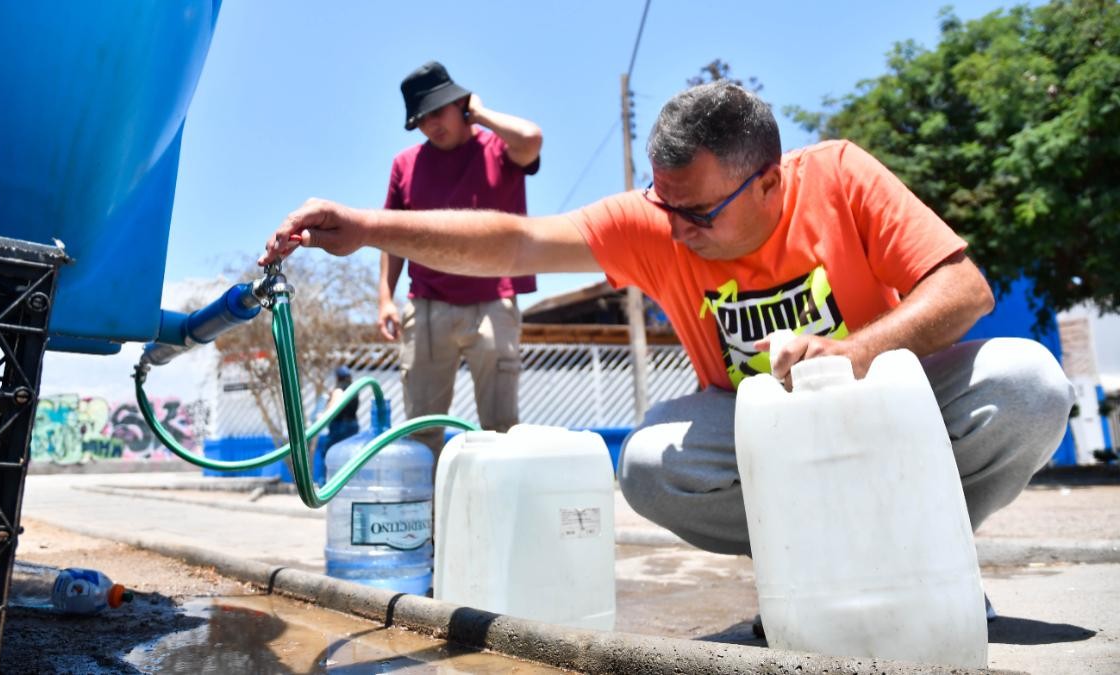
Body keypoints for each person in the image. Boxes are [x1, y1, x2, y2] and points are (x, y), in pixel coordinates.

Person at [262, 82, 1073, 569]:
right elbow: (514, 239)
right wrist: (370, 226)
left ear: (770, 182)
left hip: (885, 397)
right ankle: (808, 565)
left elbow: (962, 288)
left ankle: (926, 546)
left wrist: (849, 354)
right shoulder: (656, 220)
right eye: (664, 205)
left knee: (1030, 383)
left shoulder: (841, 176)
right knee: (650, 462)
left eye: (700, 212)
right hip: (756, 426)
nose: (676, 229)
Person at [376, 61, 543, 454]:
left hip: (493, 302)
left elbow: (532, 139)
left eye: (439, 111)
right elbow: (391, 236)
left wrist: (481, 113)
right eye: (421, 118)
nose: (432, 124)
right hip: (427, 303)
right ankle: (429, 514)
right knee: (421, 431)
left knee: (502, 429)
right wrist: (385, 297)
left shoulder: (498, 149)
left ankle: (500, 513)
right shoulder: (405, 164)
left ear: (460, 105)